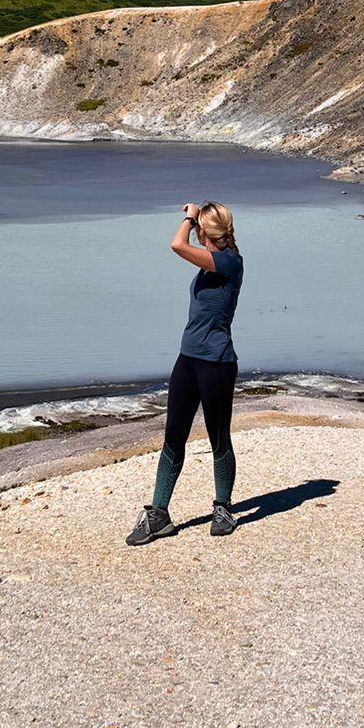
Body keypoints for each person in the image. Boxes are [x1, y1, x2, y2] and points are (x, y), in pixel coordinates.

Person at [126, 201, 243, 545]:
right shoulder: (210, 264)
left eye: (198, 227)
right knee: (172, 438)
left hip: (217, 363)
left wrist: (189, 217)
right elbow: (185, 248)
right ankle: (158, 515)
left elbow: (177, 245)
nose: (193, 229)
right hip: (188, 360)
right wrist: (196, 222)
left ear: (204, 231)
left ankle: (223, 508)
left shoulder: (229, 262)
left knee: (218, 438)